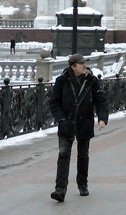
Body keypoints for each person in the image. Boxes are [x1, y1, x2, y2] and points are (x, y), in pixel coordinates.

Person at [48, 54, 109, 202]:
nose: (84, 66)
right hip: (67, 123)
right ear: (73, 66)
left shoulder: (92, 81)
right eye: (81, 64)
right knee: (63, 155)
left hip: (84, 123)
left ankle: (82, 184)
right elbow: (54, 103)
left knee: (83, 155)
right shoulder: (61, 81)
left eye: (84, 64)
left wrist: (102, 119)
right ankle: (60, 189)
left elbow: (101, 101)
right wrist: (61, 119)